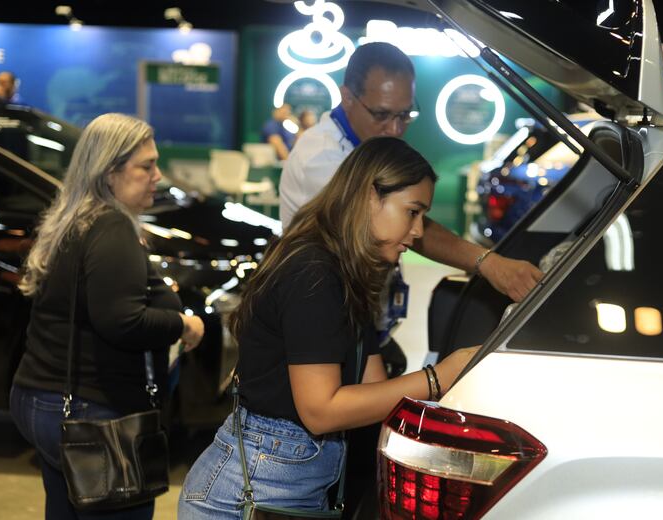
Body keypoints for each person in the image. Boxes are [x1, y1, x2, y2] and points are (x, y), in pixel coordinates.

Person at [178, 137, 479, 519]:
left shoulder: (348, 272)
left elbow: (371, 389)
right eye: (412, 212)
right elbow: (320, 411)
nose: (418, 231)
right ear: (371, 196)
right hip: (244, 498)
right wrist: (438, 378)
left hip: (289, 491)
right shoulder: (313, 274)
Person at [10, 113, 205, 520]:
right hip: (91, 412)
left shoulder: (71, 221)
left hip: (41, 401)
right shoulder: (111, 227)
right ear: (110, 172)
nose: (158, 175)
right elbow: (123, 322)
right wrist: (183, 324)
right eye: (146, 165)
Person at [279, 42, 543, 303]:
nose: (395, 129)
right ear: (347, 97)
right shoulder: (321, 158)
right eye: (381, 114)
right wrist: (487, 263)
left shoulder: (365, 144)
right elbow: (387, 226)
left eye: (405, 115)